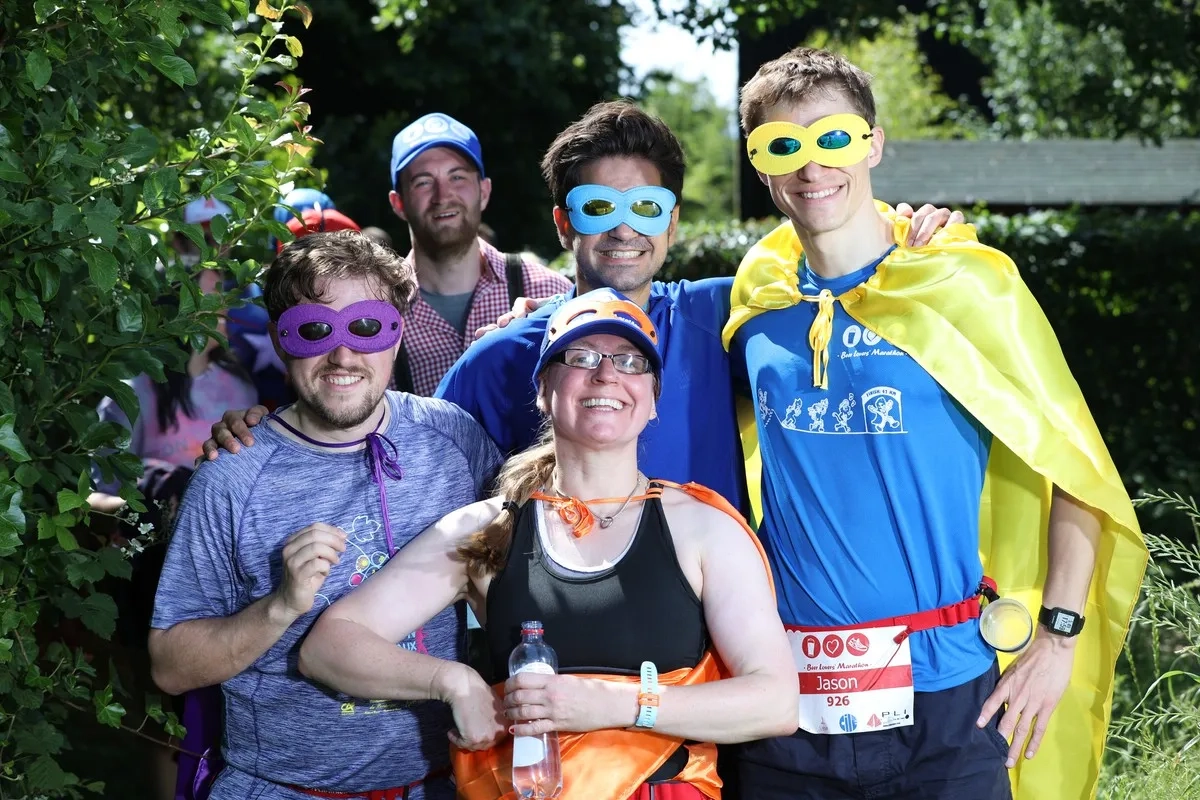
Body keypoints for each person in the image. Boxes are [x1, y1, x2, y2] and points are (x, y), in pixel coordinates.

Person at [723, 46, 1146, 799]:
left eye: (835, 138)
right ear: (759, 164)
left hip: (949, 704)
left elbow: (1073, 466)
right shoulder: (757, 297)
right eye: (782, 146)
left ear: (875, 144)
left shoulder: (962, 283)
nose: (812, 167)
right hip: (787, 706)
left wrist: (1058, 638)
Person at [298, 289, 798, 800]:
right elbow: (328, 646)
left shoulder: (704, 528)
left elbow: (776, 702)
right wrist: (452, 682)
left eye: (630, 362)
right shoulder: (488, 530)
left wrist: (617, 704)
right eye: (581, 358)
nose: (607, 375)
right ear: (543, 389)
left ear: (652, 401)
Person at [148, 230, 503, 800]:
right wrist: (279, 607)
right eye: (314, 330)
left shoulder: (453, 438)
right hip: (284, 789)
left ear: (398, 333)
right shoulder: (232, 478)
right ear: (279, 340)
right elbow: (170, 666)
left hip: (444, 784)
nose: (343, 355)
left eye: (366, 326)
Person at [89, 254, 258, 800]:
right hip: (151, 570)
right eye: (198, 297)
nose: (213, 309)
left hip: (225, 569)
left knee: (220, 709)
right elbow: (91, 493)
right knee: (164, 713)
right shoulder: (134, 386)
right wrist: (152, 498)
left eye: (219, 297)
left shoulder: (238, 385)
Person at [387, 112, 572, 395]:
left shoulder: (549, 292)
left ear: (484, 192)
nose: (442, 196)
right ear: (398, 203)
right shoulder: (379, 311)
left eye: (457, 177)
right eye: (423, 182)